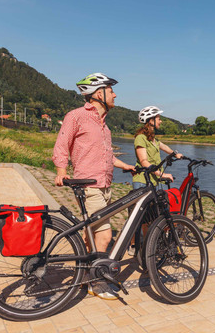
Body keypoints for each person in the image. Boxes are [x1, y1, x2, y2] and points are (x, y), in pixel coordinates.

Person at [52, 72, 135, 300]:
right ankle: (97, 283)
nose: (116, 94)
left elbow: (105, 155)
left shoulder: (104, 126)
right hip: (89, 185)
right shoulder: (76, 116)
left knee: (91, 236)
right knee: (105, 236)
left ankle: (86, 275)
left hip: (105, 185)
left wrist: (124, 165)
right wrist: (61, 170)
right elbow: (62, 144)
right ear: (100, 93)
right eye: (112, 90)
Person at [129, 106, 182, 254]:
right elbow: (144, 162)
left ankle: (148, 247)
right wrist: (162, 175)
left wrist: (176, 154)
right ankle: (134, 245)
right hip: (143, 181)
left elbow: (164, 147)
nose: (161, 121)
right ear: (150, 120)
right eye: (158, 118)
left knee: (152, 218)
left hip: (153, 183)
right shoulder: (141, 138)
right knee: (142, 219)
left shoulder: (153, 139)